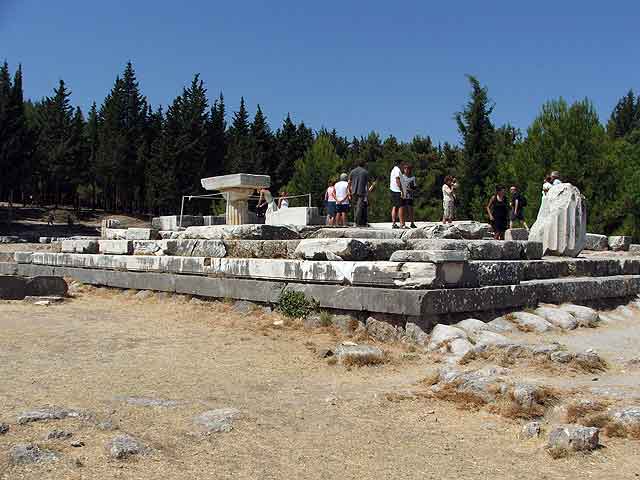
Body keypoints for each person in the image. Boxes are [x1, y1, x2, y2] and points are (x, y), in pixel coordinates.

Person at [348, 159, 369, 227]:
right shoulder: (365, 172)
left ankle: (356, 221)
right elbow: (367, 183)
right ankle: (356, 222)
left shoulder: (352, 171)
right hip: (361, 191)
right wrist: (367, 192)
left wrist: (349, 190)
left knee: (355, 207)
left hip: (353, 191)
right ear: (363, 164)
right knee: (359, 207)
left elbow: (349, 182)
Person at [401, 164, 417, 228]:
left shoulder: (413, 177)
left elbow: (415, 187)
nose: (406, 170)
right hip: (403, 195)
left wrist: (411, 189)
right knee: (403, 210)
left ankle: (412, 223)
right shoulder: (401, 177)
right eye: (405, 169)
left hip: (410, 196)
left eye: (408, 169)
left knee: (411, 210)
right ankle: (403, 223)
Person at [389, 159, 405, 228]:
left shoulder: (394, 170)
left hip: (393, 190)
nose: (403, 165)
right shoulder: (397, 170)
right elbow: (398, 180)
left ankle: (394, 223)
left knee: (395, 206)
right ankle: (402, 223)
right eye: (402, 164)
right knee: (400, 206)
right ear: (399, 164)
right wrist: (401, 190)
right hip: (397, 190)